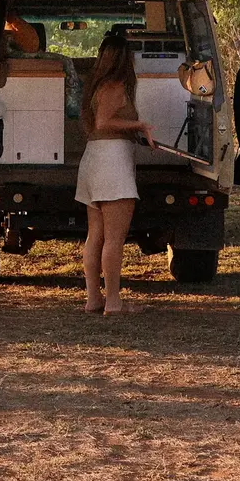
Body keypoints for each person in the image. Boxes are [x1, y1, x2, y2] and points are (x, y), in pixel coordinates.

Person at [76, 33, 156, 314]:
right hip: (112, 163)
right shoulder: (116, 86)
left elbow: (97, 123)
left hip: (93, 160)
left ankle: (93, 298)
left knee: (95, 234)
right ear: (125, 58)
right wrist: (140, 125)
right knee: (114, 238)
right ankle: (113, 301)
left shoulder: (96, 86)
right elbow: (105, 121)